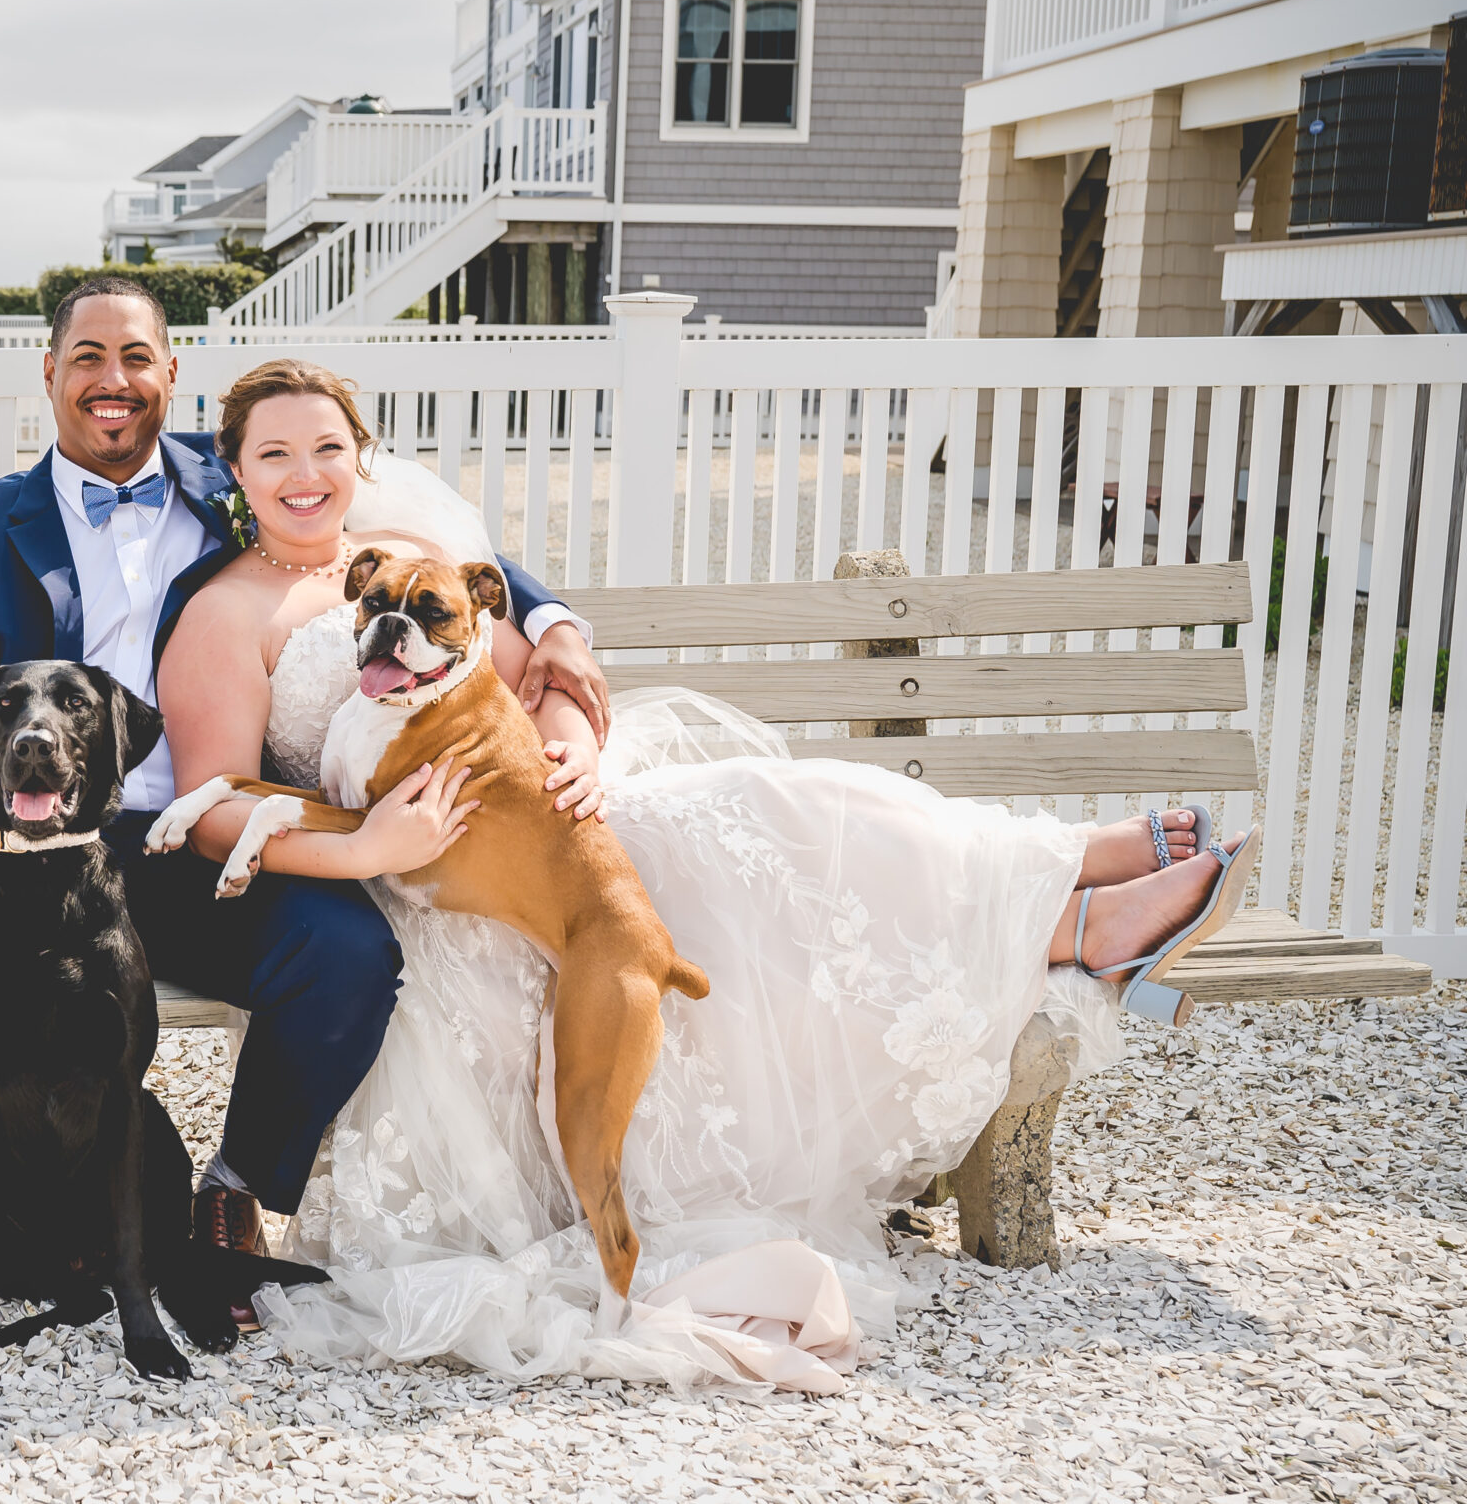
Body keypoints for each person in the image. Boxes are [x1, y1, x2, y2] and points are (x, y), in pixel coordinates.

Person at [153, 362, 1253, 1390]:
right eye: (275, 455)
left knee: (775, 809)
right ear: (234, 471)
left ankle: (1058, 880)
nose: (306, 476)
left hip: (562, 804)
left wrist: (568, 723)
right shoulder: (225, 609)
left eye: (328, 448)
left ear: (362, 456)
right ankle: (1063, 911)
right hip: (437, 870)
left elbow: (532, 643)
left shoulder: (410, 550)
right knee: (745, 830)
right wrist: (362, 850)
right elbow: (219, 810)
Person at [0, 279, 611, 1382]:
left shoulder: (245, 474)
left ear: (171, 375)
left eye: (138, 357)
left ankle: (234, 1198)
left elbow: (410, 532)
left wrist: (551, 621)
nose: (113, 379)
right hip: (28, 835)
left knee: (349, 950)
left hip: (190, 835)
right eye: (88, 356)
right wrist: (13, 795)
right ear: (52, 372)